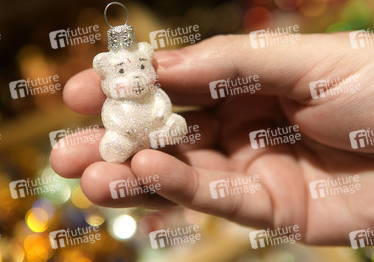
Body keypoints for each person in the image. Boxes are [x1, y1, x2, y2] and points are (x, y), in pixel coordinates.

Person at [50, 34, 374, 245]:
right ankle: (122, 143)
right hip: (125, 133)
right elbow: (111, 115)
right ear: (106, 73)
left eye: (141, 68)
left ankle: (163, 133)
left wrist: (163, 119)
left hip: (158, 128)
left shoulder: (156, 96)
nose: (135, 77)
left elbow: (162, 105)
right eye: (122, 72)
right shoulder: (114, 104)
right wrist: (121, 129)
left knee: (174, 123)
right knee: (120, 146)